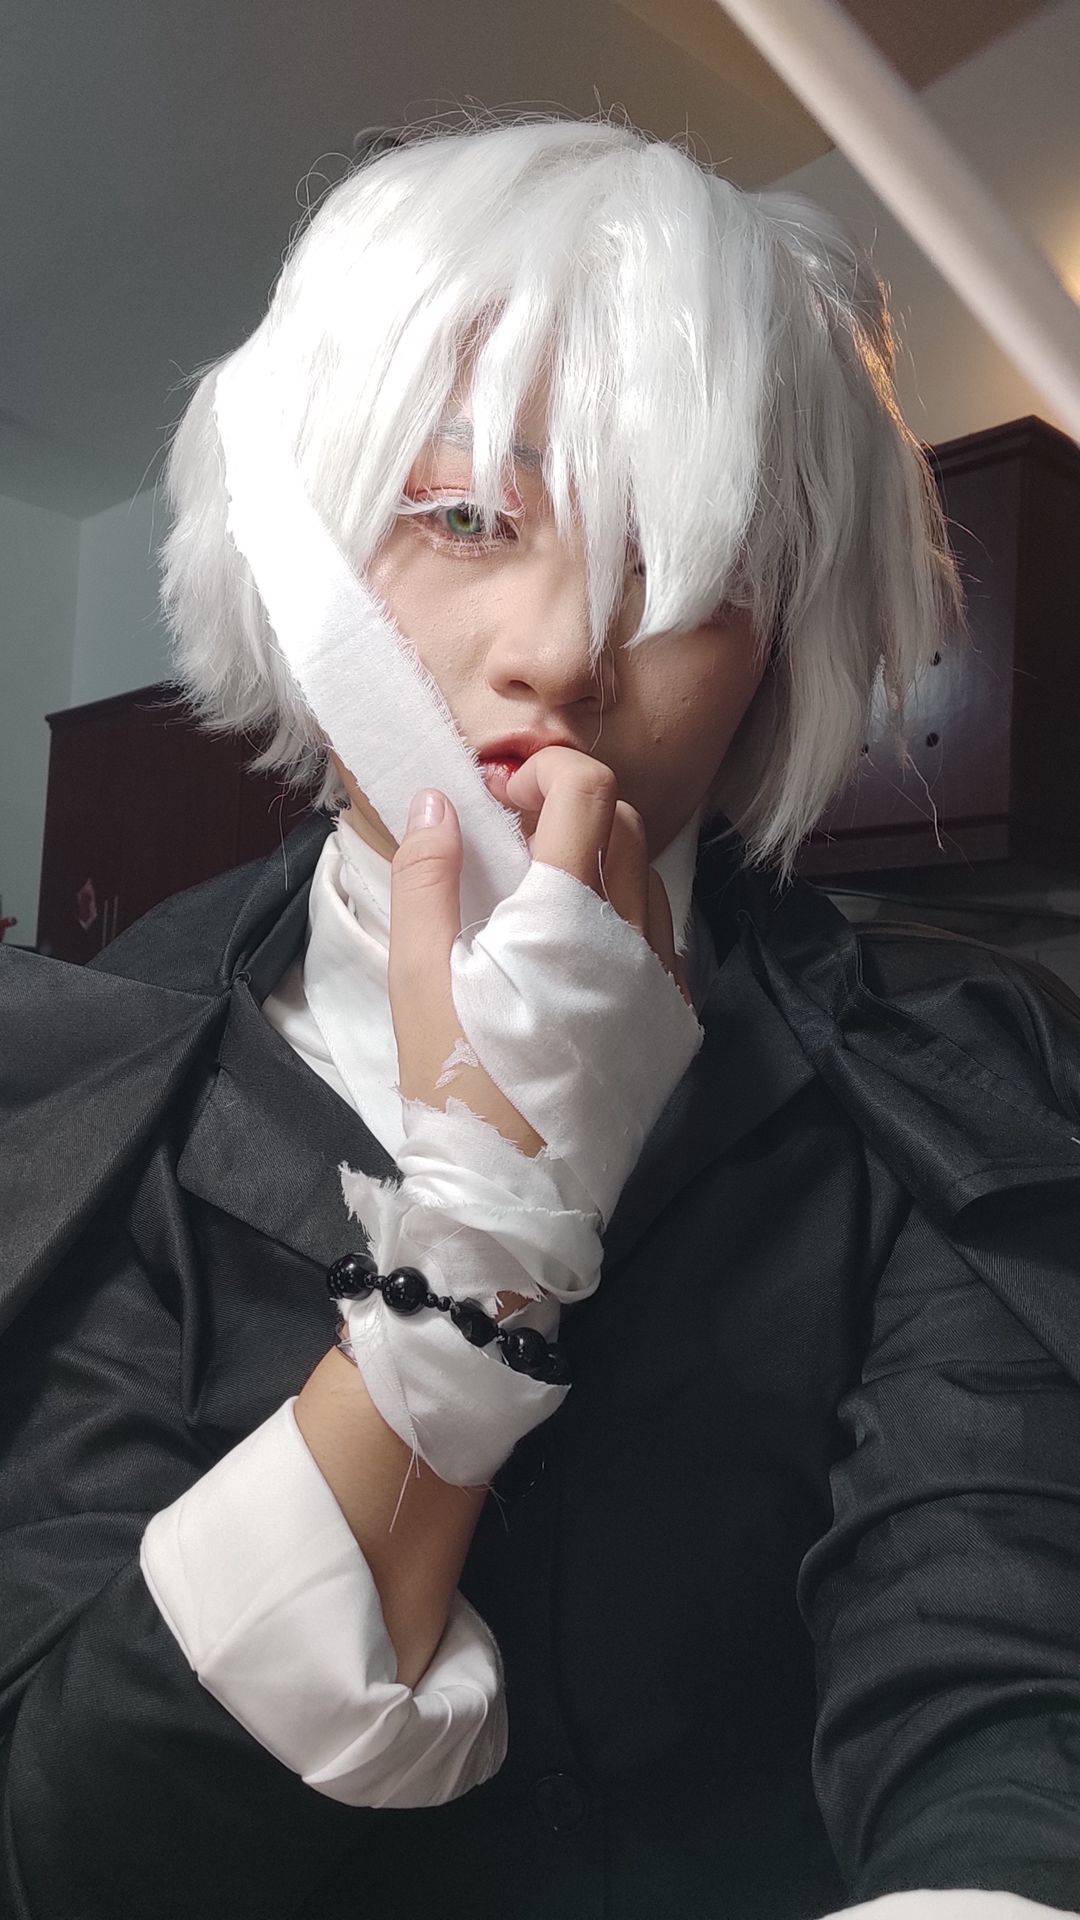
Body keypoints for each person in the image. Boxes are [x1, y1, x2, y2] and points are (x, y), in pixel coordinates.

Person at [3, 112, 1080, 1920]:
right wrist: (477, 1261)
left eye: (693, 570)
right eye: (465, 516)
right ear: (302, 557)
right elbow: (74, 1841)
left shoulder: (958, 1069)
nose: (566, 651)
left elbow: (1000, 1717)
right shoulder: (94, 1081)